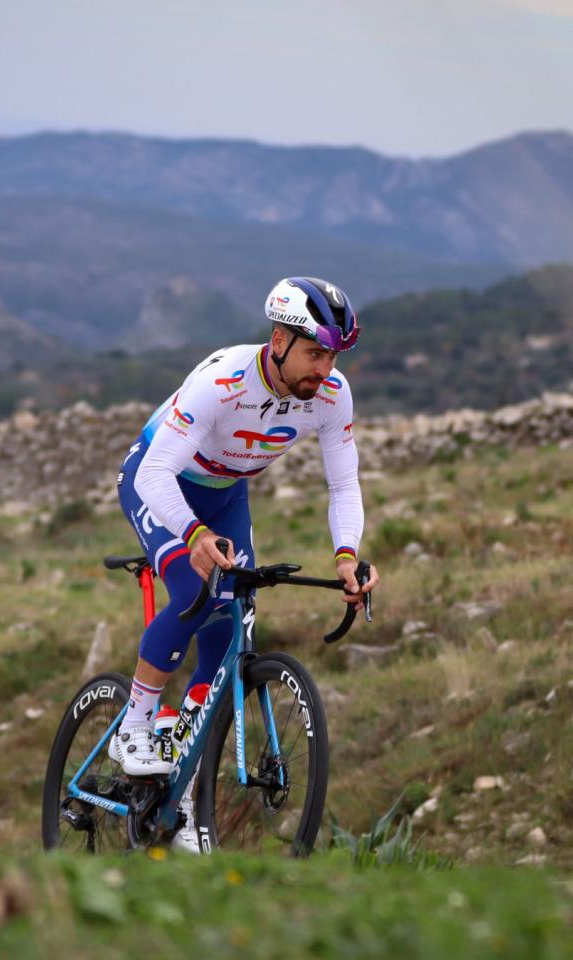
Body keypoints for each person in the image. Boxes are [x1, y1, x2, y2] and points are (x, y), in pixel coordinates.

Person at [112, 275, 381, 852]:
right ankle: (135, 721)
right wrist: (193, 533)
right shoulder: (223, 383)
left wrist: (346, 558)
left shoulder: (332, 395)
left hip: (228, 494)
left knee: (232, 622)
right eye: (314, 352)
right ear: (278, 341)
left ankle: (176, 790)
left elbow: (344, 484)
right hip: (160, 482)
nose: (325, 368)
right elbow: (157, 474)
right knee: (196, 592)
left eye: (333, 355)